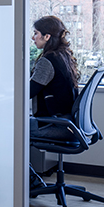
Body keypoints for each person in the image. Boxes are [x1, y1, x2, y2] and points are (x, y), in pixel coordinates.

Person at [29, 15, 79, 189]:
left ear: (47, 36)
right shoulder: (62, 56)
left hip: (56, 124)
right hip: (66, 122)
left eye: (36, 33)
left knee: (10, 131)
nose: (33, 37)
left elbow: (28, 92)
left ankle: (31, 182)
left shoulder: (47, 61)